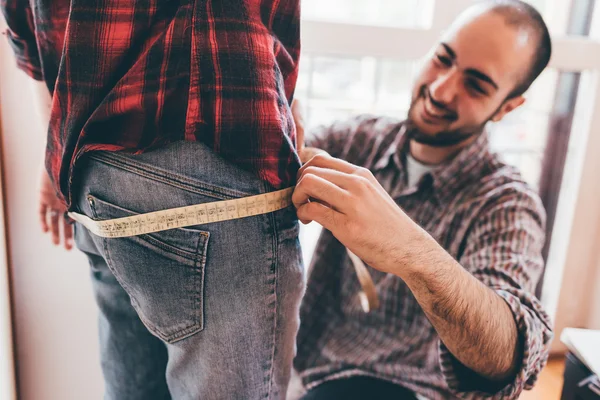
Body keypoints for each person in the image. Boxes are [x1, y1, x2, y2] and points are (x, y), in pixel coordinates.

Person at [2, 0, 304, 398]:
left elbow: (21, 21)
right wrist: (286, 106)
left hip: (93, 182)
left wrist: (53, 154)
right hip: (214, 163)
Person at [291, 1, 553, 399]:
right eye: (443, 58)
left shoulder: (506, 203)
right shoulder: (356, 142)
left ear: (508, 107)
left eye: (476, 84)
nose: (441, 89)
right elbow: (282, 153)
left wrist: (410, 250)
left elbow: (508, 355)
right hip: (311, 379)